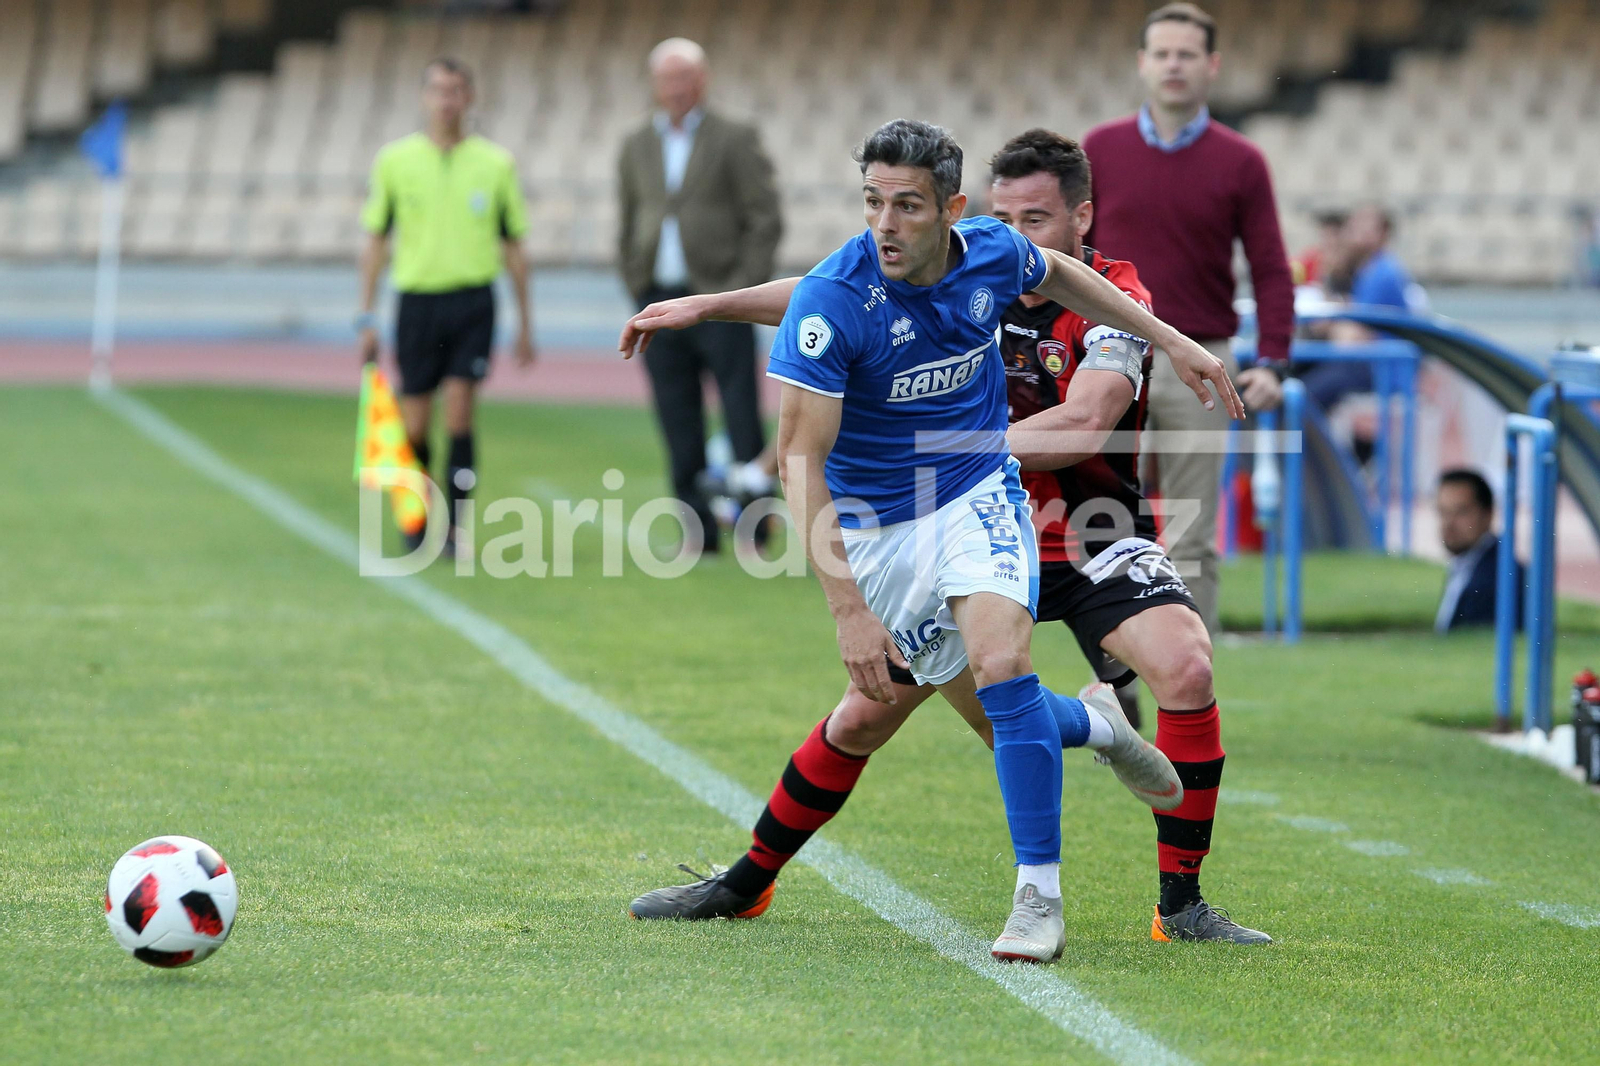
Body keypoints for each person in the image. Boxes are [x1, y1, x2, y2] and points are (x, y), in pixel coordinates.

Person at [618, 119, 1246, 961]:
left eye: (906, 206)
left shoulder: (1013, 261)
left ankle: (1047, 900)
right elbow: (798, 439)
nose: (884, 222)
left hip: (1015, 507)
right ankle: (1093, 728)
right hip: (884, 532)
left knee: (1023, 671)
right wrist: (847, 607)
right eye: (873, 203)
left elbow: (1079, 374)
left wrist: (1171, 340)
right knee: (922, 720)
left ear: (950, 213)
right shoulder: (848, 290)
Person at [1082, 2, 1295, 634]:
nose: (1174, 65)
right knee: (1103, 531)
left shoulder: (1241, 162)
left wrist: (1275, 360)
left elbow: (1271, 268)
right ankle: (1118, 696)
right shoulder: (1099, 150)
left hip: (1201, 364)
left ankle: (1189, 703)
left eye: (1187, 54)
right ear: (1143, 64)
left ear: (1212, 67)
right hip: (1109, 360)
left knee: (1193, 537)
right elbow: (1072, 257)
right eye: (1163, 53)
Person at [357, 57, 534, 555]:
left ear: (469, 97)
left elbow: (515, 245)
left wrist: (525, 322)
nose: (447, 100)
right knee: (414, 421)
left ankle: (455, 527)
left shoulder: (495, 164)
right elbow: (375, 241)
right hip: (416, 302)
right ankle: (416, 518)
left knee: (459, 410)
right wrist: (365, 317)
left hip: (473, 302)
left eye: (456, 90)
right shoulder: (395, 161)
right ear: (424, 97)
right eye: (438, 90)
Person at [616, 37, 783, 555]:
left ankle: (755, 526)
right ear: (655, 84)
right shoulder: (635, 144)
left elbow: (764, 217)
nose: (676, 89)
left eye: (684, 77)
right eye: (667, 79)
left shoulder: (734, 137)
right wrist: (636, 281)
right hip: (659, 301)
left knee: (739, 413)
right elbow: (629, 219)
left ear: (702, 80)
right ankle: (698, 530)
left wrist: (742, 288)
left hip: (719, 300)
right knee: (676, 415)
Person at [1300, 204, 1424, 413]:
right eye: (1353, 225)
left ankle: (1295, 445)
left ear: (1383, 234)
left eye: (1364, 226)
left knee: (1301, 398)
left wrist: (1331, 324)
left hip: (1380, 370)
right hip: (1368, 365)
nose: (1354, 231)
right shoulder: (1365, 271)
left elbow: (1349, 340)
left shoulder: (1382, 272)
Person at [1435, 468, 1522, 634]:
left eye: (1461, 512)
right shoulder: (1467, 563)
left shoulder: (1497, 576)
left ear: (1487, 514)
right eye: (1443, 512)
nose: (1448, 523)